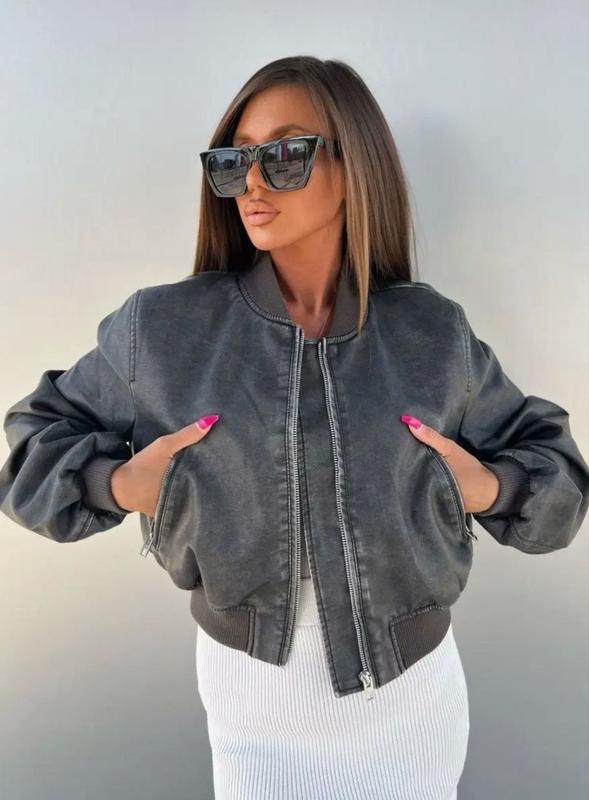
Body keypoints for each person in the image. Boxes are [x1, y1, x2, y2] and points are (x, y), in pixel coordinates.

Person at [1, 56, 588, 800]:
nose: (252, 181)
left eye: (283, 154)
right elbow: (34, 440)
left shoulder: (431, 333)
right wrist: (118, 485)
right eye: (234, 160)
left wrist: (487, 488)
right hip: (252, 701)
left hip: (411, 700)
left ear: (354, 164)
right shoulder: (165, 329)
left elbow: (559, 479)